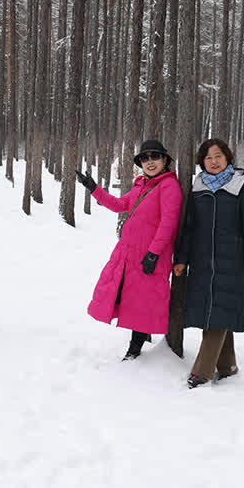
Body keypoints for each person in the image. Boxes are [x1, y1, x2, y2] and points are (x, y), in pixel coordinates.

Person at [172, 139, 244, 388]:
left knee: (218, 311)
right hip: (203, 261)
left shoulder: (241, 185)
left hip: (233, 260)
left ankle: (201, 372)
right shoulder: (198, 186)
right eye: (208, 158)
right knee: (212, 312)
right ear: (202, 162)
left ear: (227, 158)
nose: (213, 162)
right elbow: (190, 227)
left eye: (218, 156)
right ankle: (227, 365)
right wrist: (182, 258)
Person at [76, 139, 182, 360]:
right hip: (129, 255)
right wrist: (93, 188)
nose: (149, 162)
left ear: (165, 160)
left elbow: (168, 223)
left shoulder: (169, 186)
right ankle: (141, 341)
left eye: (155, 157)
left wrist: (154, 253)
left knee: (143, 302)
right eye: (145, 158)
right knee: (131, 298)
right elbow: (119, 205)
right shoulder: (141, 185)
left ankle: (134, 350)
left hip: (151, 256)